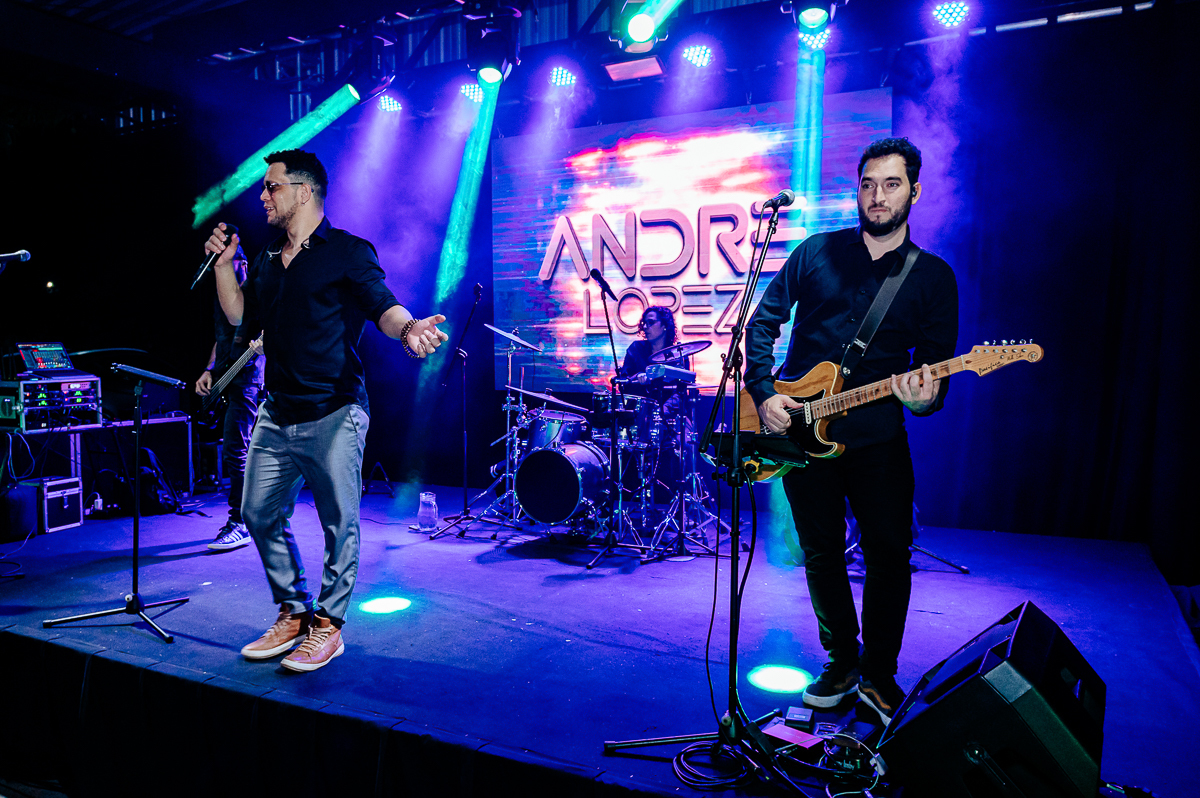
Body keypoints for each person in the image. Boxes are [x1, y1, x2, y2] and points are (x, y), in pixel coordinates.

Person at [204, 149, 448, 673]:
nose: (263, 196)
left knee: (340, 523)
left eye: (271, 187)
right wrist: (224, 267)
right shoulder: (269, 257)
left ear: (303, 191)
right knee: (257, 513)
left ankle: (329, 627)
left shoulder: (348, 252)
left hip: (335, 410)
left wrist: (409, 330)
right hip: (277, 410)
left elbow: (382, 305)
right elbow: (242, 315)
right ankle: (293, 612)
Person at [744, 137, 958, 724]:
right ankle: (841, 661)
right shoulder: (815, 253)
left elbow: (937, 370)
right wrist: (764, 395)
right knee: (821, 554)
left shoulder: (932, 277)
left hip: (877, 441)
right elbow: (758, 325)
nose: (878, 195)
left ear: (914, 190)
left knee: (889, 556)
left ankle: (879, 675)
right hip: (797, 432)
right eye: (868, 184)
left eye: (891, 184)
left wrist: (924, 398)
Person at [193, 244, 264, 551]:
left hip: (247, 377)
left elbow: (274, 329)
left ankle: (241, 523)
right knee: (234, 452)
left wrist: (265, 344)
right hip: (224, 374)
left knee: (236, 452)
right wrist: (209, 369)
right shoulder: (222, 294)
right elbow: (221, 337)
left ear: (242, 263)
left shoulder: (257, 291)